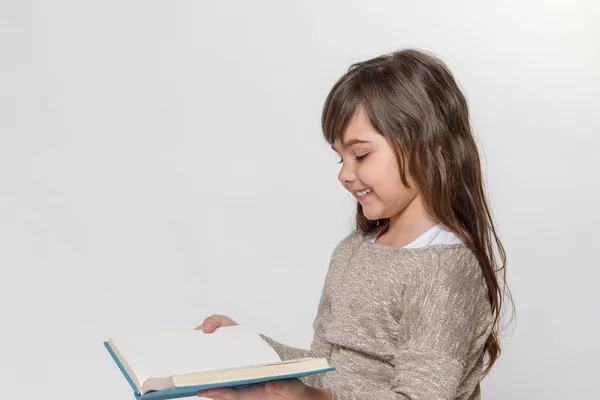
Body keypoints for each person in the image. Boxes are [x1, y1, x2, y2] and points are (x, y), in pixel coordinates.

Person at [195, 48, 510, 400]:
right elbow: (324, 367)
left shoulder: (445, 270)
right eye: (340, 158)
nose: (345, 174)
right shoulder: (353, 250)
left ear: (428, 147)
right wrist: (253, 354)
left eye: (361, 155)